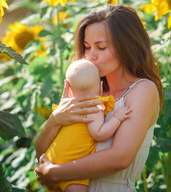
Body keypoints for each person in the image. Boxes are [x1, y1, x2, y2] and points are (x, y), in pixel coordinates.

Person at [35, 4, 162, 192]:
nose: (90, 56)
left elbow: (120, 157)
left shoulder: (142, 90)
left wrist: (57, 173)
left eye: (101, 48)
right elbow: (42, 154)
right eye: (86, 47)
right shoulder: (87, 90)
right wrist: (55, 120)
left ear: (127, 47)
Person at [45, 59, 132, 192]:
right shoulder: (93, 108)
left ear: (68, 88)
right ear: (100, 87)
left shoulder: (65, 107)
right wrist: (116, 118)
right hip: (70, 169)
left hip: (51, 161)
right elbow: (99, 134)